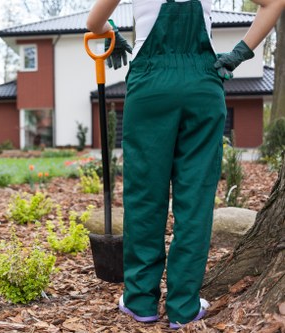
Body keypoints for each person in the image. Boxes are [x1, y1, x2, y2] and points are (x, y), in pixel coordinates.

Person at [86, 0, 284, 329]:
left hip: (149, 87)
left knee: (144, 197)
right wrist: (238, 54)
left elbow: (95, 21)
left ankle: (140, 300)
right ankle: (183, 306)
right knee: (195, 200)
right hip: (201, 85)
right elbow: (273, 3)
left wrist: (114, 35)